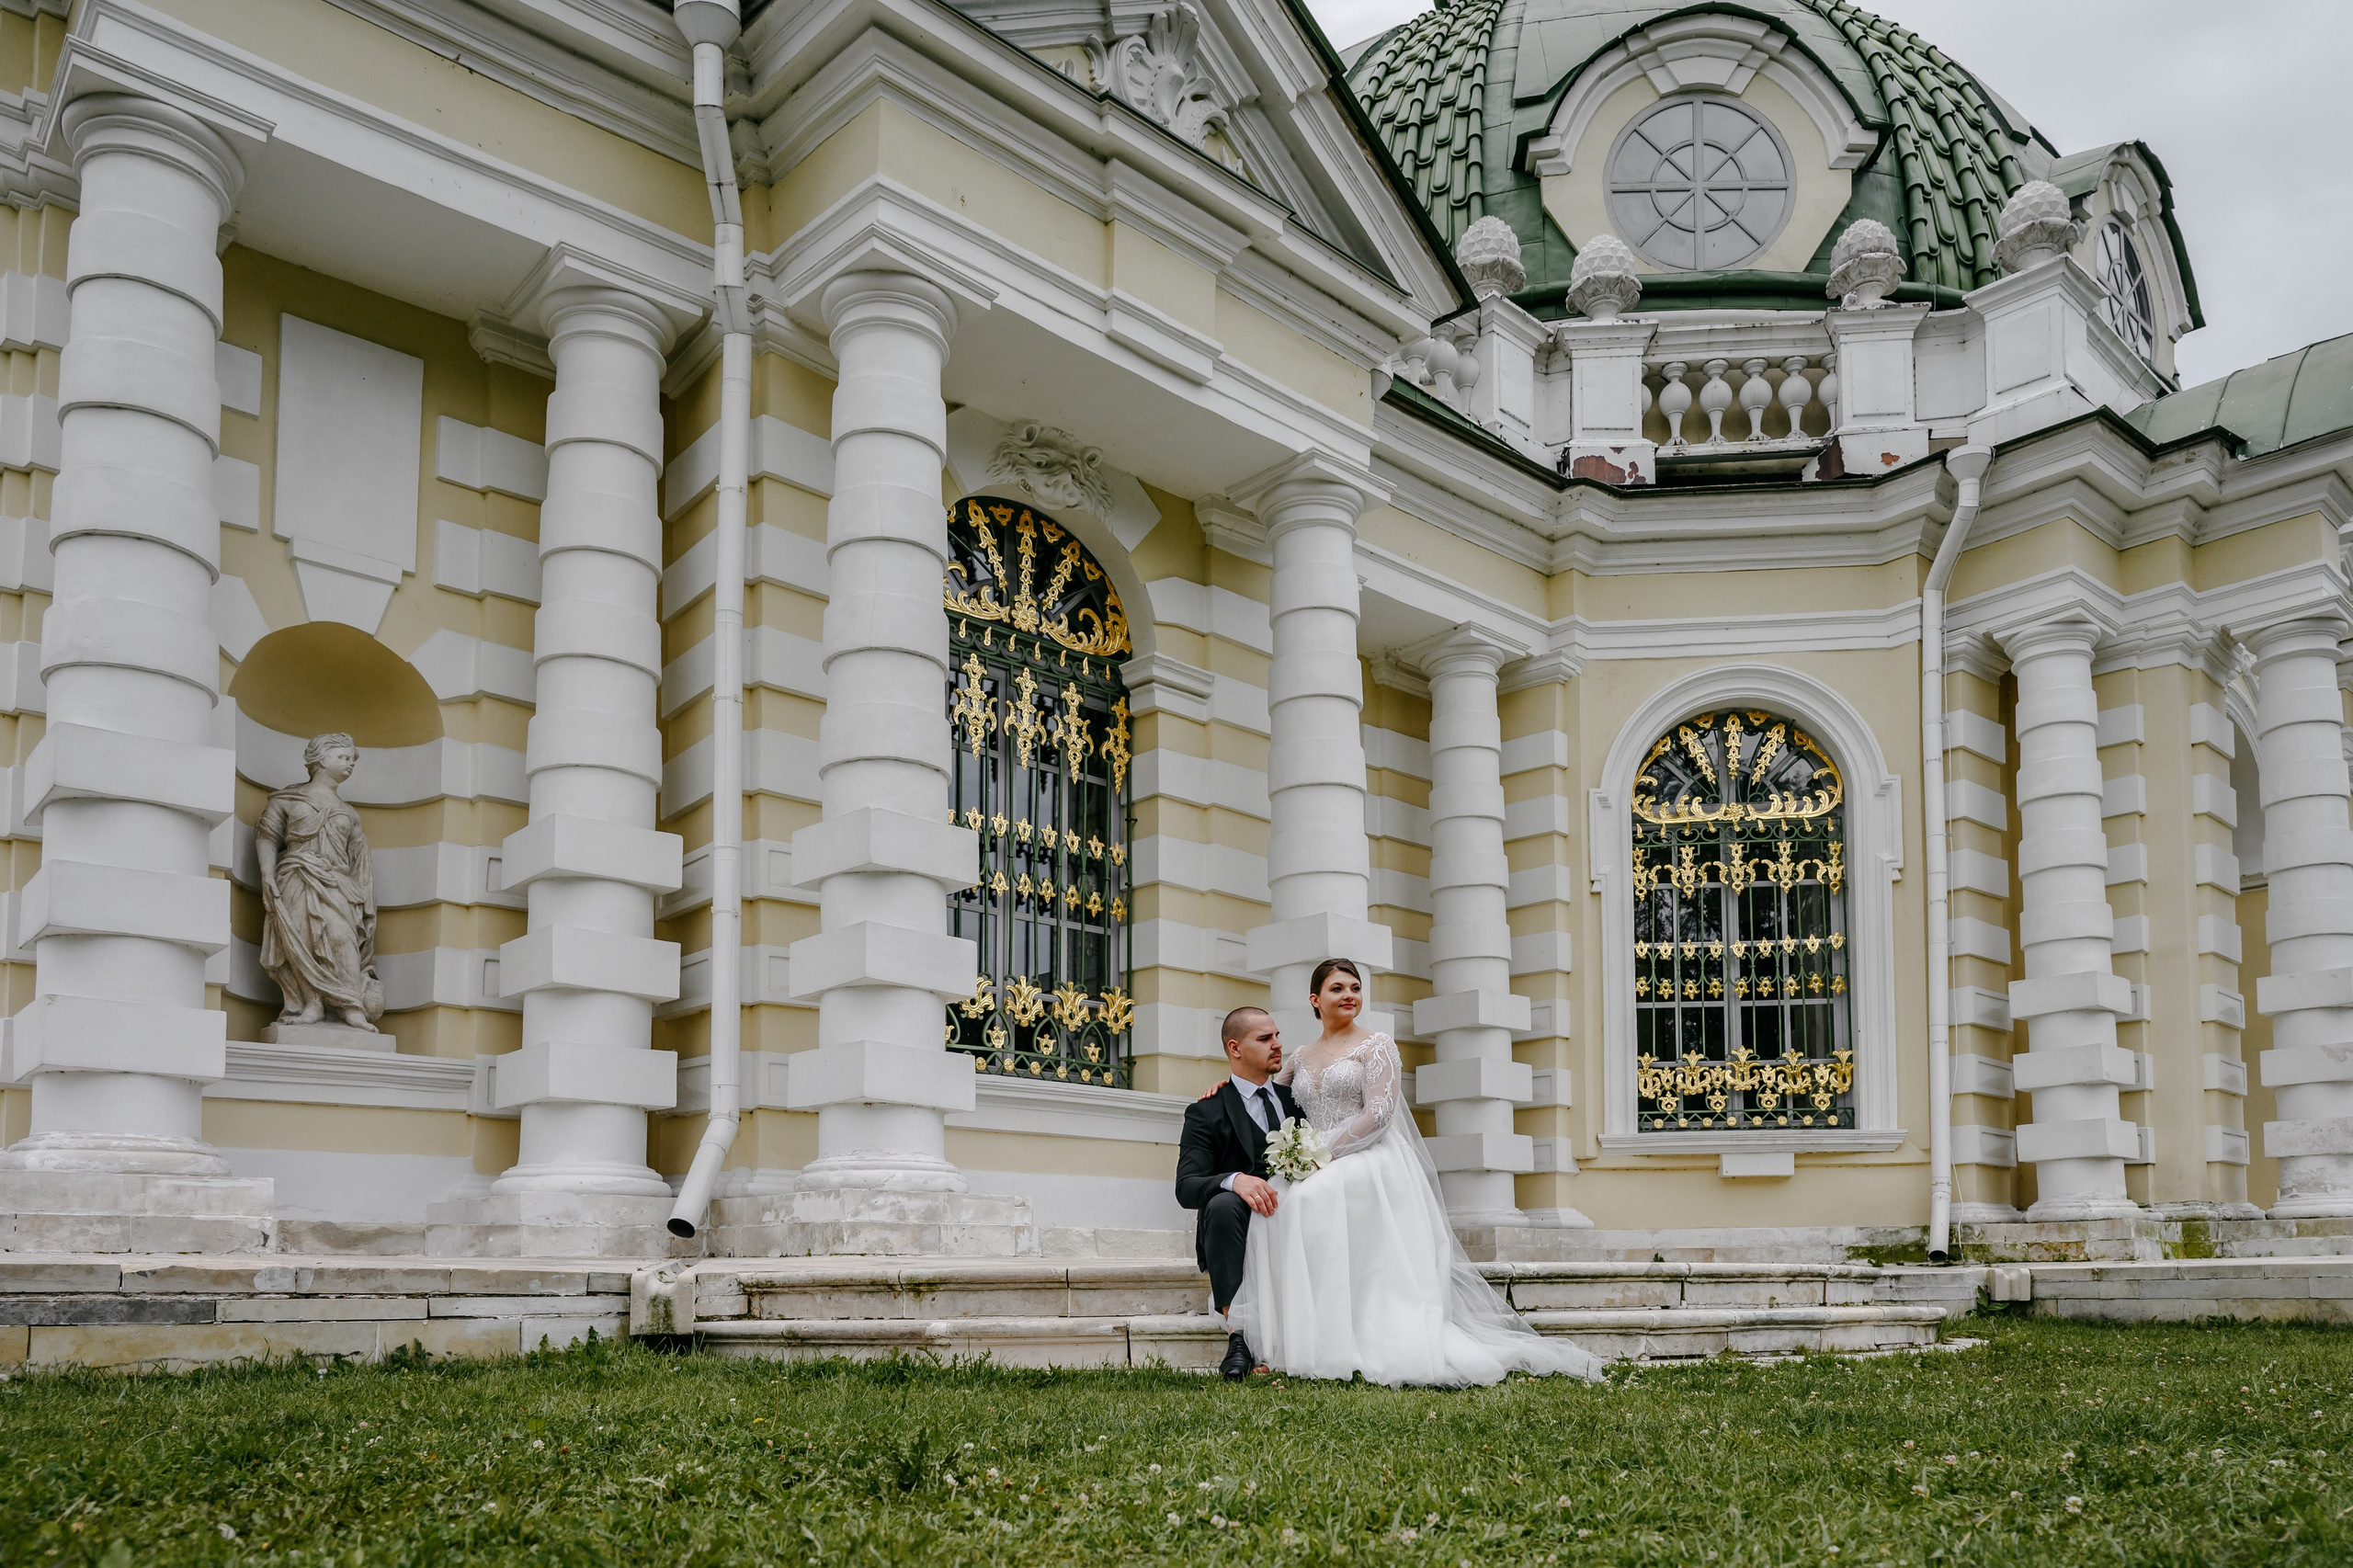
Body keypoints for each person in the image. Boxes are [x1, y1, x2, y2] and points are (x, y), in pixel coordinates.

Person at [1225, 958, 1603, 1388]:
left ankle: (1359, 1337)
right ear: (1316, 1000)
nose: (1349, 995)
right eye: (1337, 988)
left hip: (1368, 1157)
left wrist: (1320, 1156)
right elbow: (1266, 1091)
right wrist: (1224, 1088)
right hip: (1315, 1161)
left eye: (1354, 987)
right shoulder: (1300, 1057)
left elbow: (1380, 1114)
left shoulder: (1377, 1045)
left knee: (1310, 1199)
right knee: (1277, 1204)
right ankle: (1307, 1339)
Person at [1173, 1006, 1301, 1381]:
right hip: (1242, 1217)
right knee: (1223, 1203)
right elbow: (1185, 1187)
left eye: (1277, 1035)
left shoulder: (1296, 1100)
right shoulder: (1206, 1111)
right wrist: (1234, 1179)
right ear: (1235, 1048)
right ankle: (1239, 1335)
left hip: (1299, 1207)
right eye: (1265, 1039)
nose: (1278, 1045)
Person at [256, 732, 382, 1031]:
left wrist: (361, 896)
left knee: (341, 938)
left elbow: (359, 861)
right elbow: (267, 837)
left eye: (352, 759)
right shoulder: (287, 800)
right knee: (302, 940)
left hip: (336, 885)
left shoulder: (349, 814)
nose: (350, 764)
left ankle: (352, 1007)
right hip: (296, 876)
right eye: (343, 757)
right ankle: (311, 1005)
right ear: (322, 759)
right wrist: (267, 874)